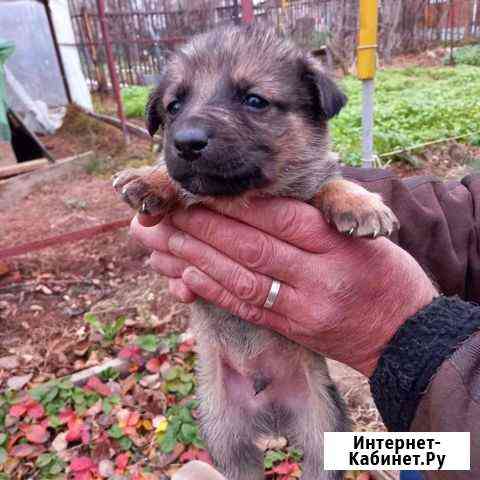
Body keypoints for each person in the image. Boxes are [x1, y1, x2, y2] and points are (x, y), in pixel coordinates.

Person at [131, 167, 480, 480]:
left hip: (461, 429)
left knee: (355, 451)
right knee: (417, 454)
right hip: (441, 432)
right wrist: (312, 195)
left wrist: (414, 340)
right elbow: (468, 220)